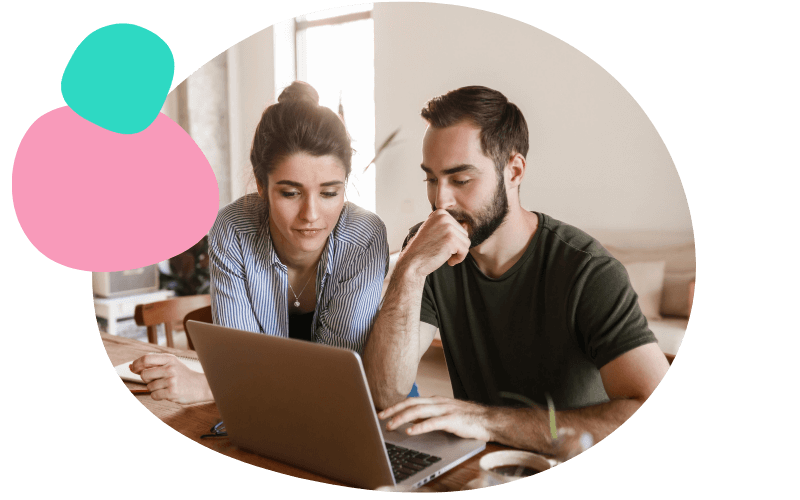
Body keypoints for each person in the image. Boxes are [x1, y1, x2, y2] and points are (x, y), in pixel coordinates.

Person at [362, 85, 670, 457]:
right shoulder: (430, 251)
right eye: (431, 178)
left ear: (514, 170)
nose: (440, 201)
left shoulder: (589, 271)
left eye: (460, 180)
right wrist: (409, 268)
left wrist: (487, 420)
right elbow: (386, 391)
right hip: (482, 466)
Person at [130, 81, 414, 404]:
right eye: (290, 193)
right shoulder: (234, 230)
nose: (311, 214)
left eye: (330, 193)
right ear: (262, 185)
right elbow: (241, 360)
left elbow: (333, 377)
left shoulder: (364, 238)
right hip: (270, 412)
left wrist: (210, 387)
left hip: (357, 407)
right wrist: (233, 379)